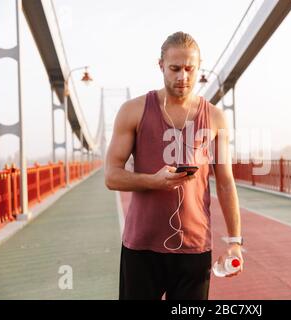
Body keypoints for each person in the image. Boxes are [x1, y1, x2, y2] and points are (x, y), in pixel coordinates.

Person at [104, 31, 244, 300]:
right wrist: (153, 181)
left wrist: (235, 242)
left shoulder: (215, 117)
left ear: (199, 67)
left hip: (194, 248)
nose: (183, 77)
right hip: (142, 247)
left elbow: (225, 182)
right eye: (175, 68)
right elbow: (111, 177)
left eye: (190, 69)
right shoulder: (132, 111)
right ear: (161, 66)